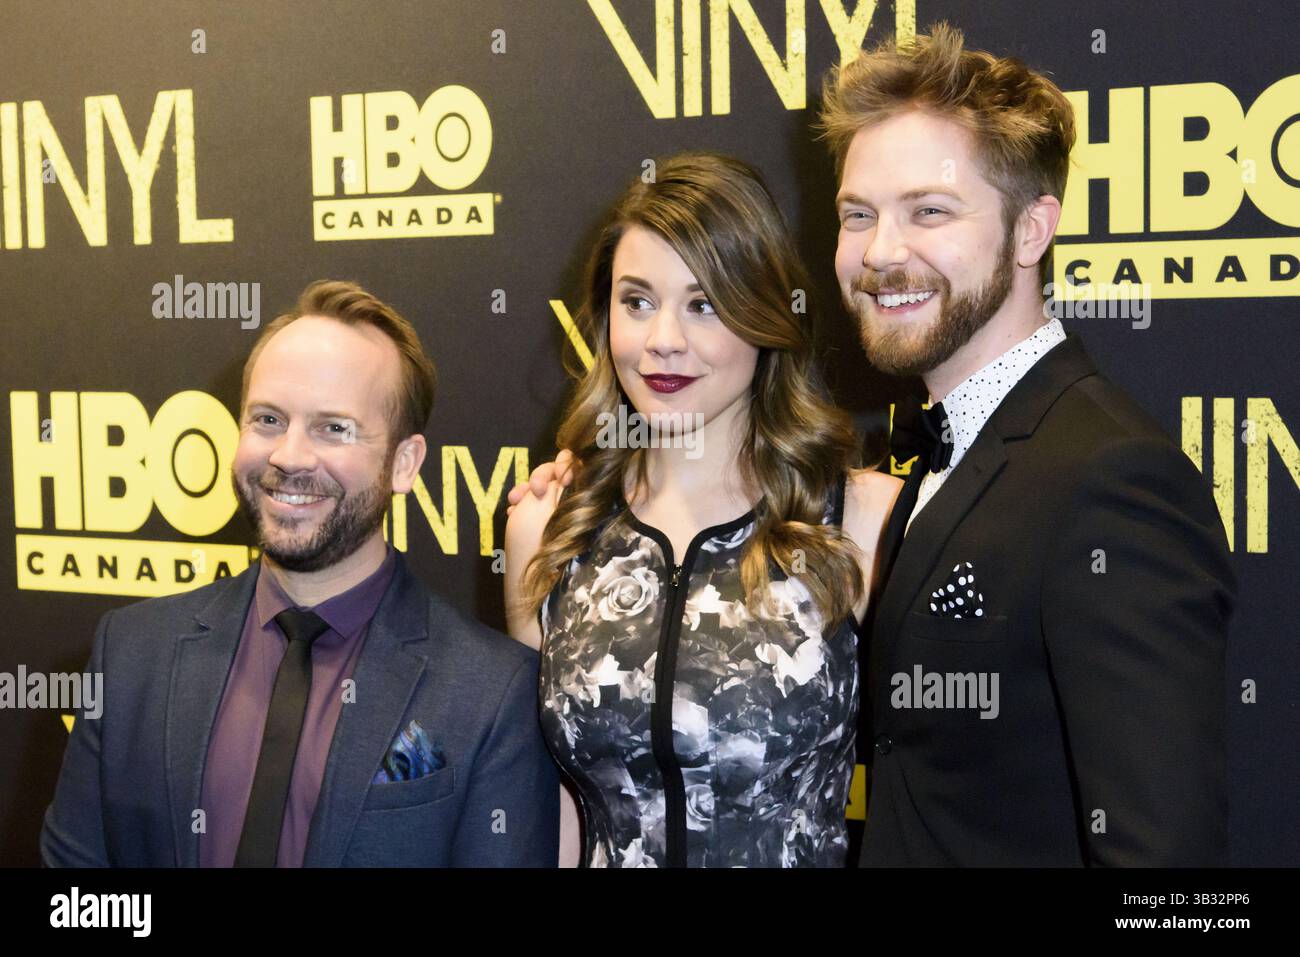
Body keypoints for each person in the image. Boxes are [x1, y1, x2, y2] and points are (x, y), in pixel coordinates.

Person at [515, 23, 1235, 866]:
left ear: (1033, 231)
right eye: (859, 215)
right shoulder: (939, 465)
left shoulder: (1108, 474)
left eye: (929, 210)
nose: (883, 253)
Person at [41, 280, 558, 867]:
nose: (288, 456)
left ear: (405, 463)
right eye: (267, 419)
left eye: (333, 427)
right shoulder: (132, 653)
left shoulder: (490, 690)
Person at [503, 152, 901, 868]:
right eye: (637, 300)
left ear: (764, 317)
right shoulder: (551, 527)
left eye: (703, 304)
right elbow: (548, 805)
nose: (663, 340)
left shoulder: (857, 519)